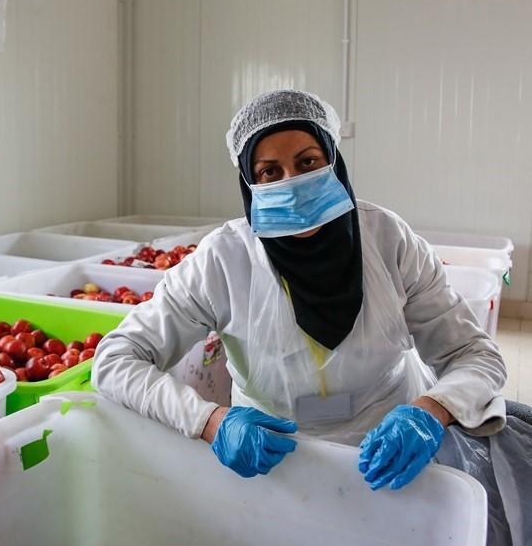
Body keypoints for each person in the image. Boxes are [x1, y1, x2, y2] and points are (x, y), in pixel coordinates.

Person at [92, 89, 532, 545]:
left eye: (307, 162)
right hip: (276, 462)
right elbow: (115, 361)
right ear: (249, 182)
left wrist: (430, 412)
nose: (292, 184)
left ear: (333, 161)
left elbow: (475, 354)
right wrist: (210, 421)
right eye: (270, 172)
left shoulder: (388, 241)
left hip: (391, 455)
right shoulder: (223, 260)